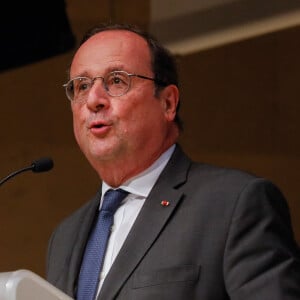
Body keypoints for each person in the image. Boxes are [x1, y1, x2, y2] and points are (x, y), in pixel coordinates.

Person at [46, 23, 300, 300]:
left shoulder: (233, 204)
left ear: (168, 103)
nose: (93, 100)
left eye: (117, 80)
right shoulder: (64, 236)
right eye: (81, 86)